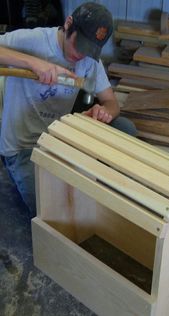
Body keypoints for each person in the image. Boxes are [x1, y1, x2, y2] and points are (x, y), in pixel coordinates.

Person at [0, 2, 137, 218]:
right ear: (68, 23)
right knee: (51, 212)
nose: (81, 55)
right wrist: (33, 63)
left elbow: (112, 103)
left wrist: (102, 112)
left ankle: (103, 188)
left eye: (88, 49)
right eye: (79, 45)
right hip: (24, 148)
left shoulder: (90, 60)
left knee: (125, 128)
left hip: (59, 138)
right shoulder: (33, 40)